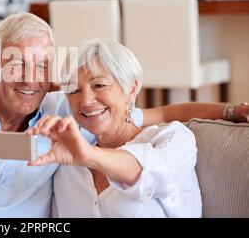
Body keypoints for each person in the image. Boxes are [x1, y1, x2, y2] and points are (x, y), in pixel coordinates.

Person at [0, 13, 249, 217]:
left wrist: (233, 110)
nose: (30, 80)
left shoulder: (66, 115)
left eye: (42, 67)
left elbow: (159, 113)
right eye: (15, 64)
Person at [29, 38, 201, 217]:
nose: (86, 101)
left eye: (99, 85)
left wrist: (89, 156)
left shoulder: (174, 139)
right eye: (73, 91)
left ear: (131, 90)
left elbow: (153, 174)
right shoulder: (68, 167)